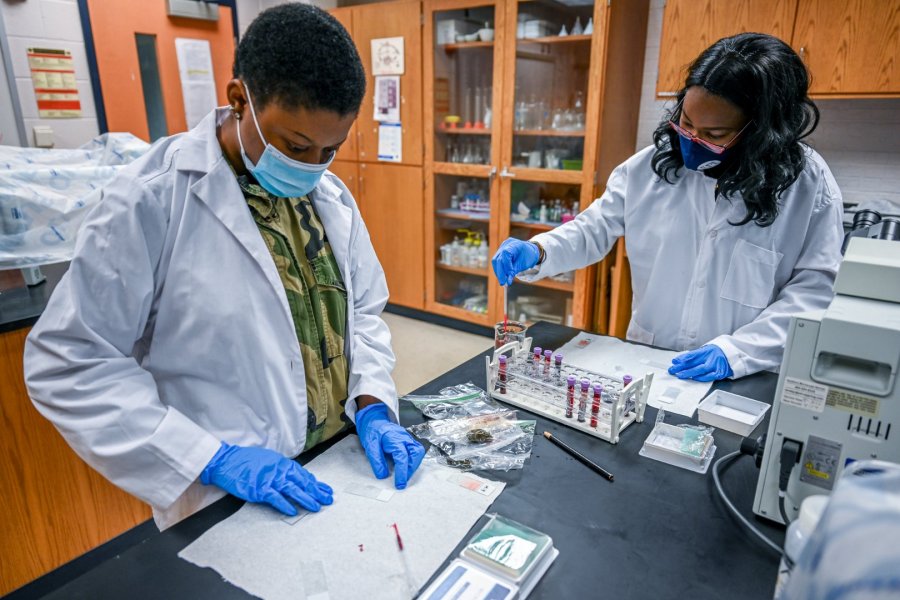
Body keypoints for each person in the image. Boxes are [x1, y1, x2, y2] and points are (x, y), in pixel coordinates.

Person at [24, 4, 424, 530]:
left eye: (331, 148)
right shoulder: (151, 200)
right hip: (229, 499)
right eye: (296, 145)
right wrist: (209, 459)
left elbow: (363, 312)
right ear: (240, 100)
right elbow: (69, 360)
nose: (312, 166)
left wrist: (371, 402)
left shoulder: (330, 197)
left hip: (337, 469)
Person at [492, 33, 843, 382]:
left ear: (762, 131)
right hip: (648, 361)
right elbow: (594, 227)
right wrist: (538, 250)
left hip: (743, 372)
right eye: (686, 123)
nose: (692, 141)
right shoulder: (650, 168)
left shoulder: (807, 187)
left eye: (714, 134)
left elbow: (813, 290)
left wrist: (737, 351)